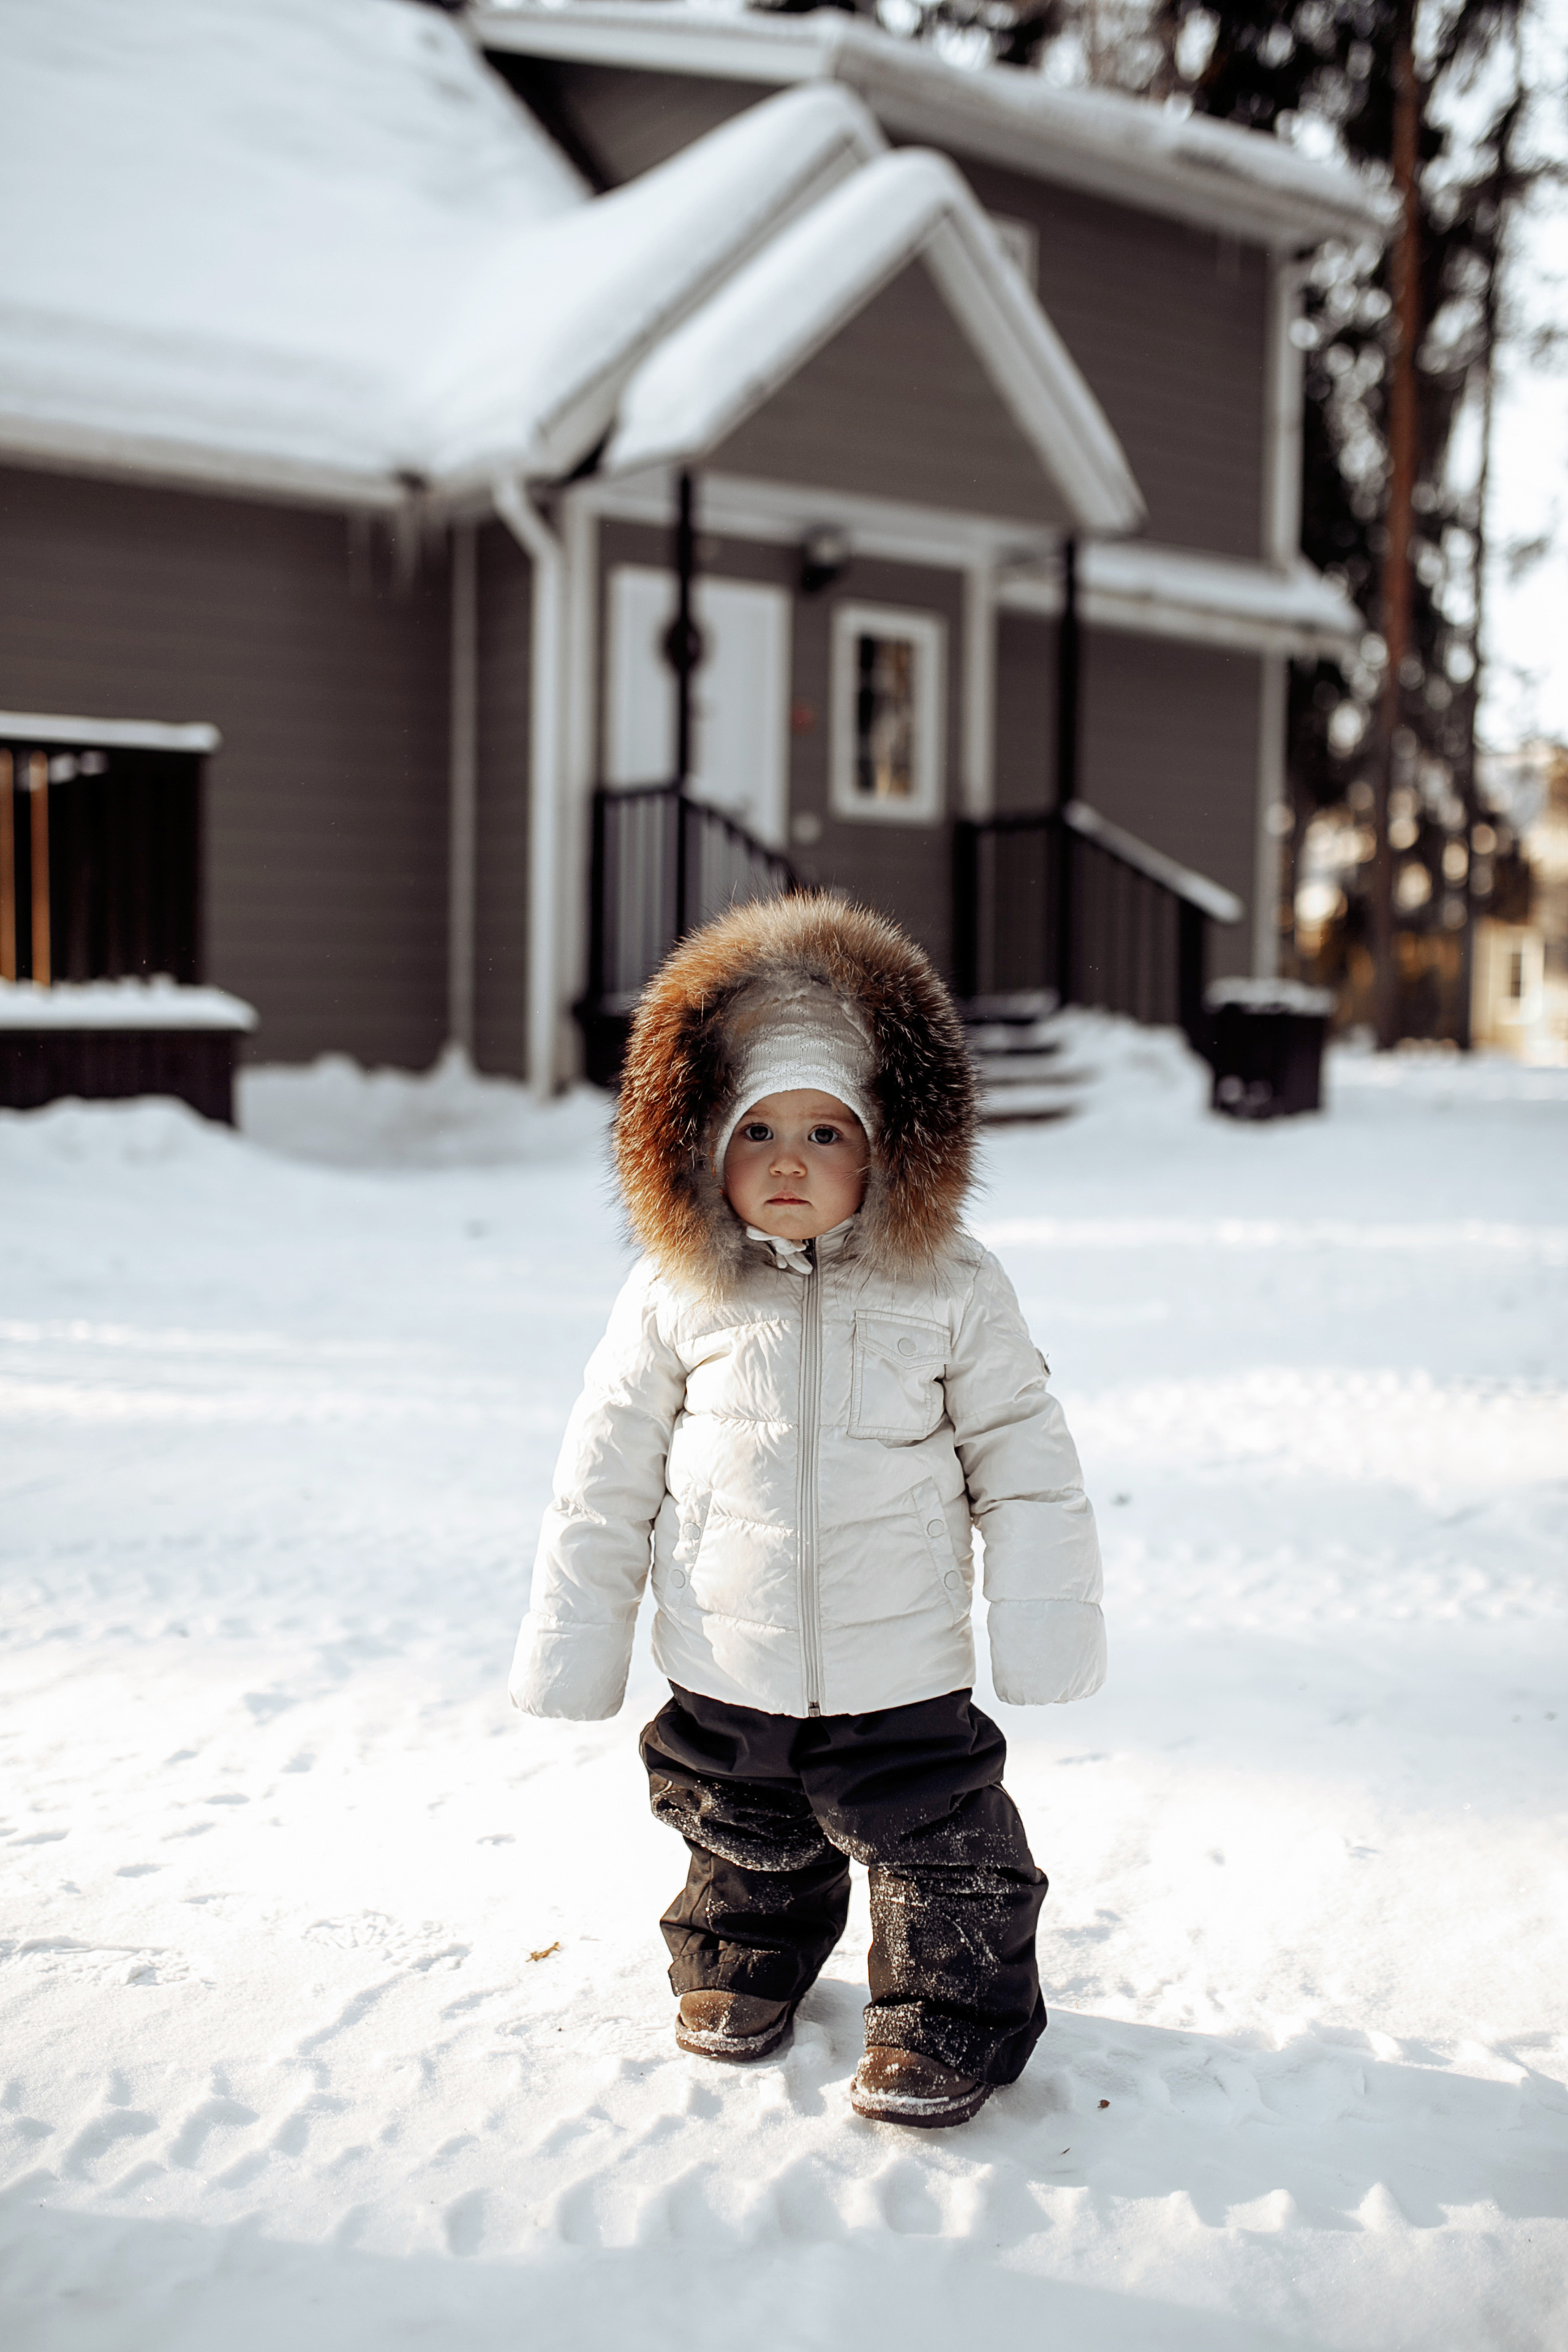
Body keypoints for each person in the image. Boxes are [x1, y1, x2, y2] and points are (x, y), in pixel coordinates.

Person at [510, 894, 1104, 2128]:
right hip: (726, 1650)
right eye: (757, 1130)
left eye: (826, 1132)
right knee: (739, 1832)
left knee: (942, 1848)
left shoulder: (951, 1287)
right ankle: (744, 1960)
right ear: (695, 1146)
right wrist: (576, 1646)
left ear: (888, 1146)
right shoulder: (675, 1295)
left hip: (901, 1668)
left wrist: (1043, 1624)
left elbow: (1025, 1462)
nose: (788, 1161)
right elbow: (602, 1476)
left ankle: (944, 2013)